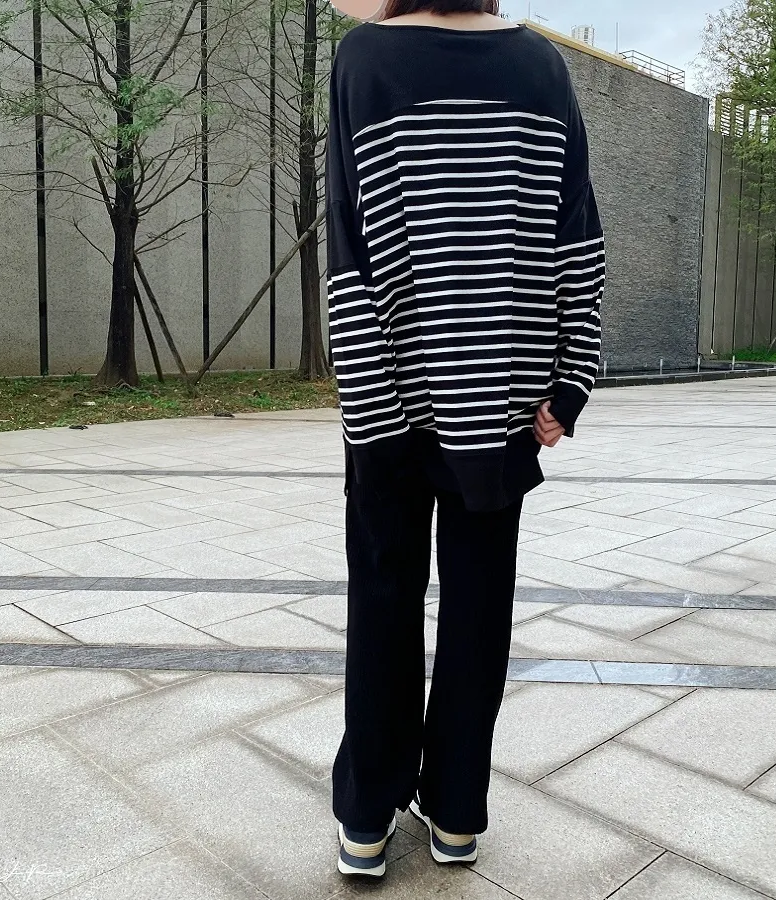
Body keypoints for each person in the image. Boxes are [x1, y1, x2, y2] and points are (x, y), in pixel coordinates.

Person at [326, 0, 605, 879]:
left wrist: (365, 397)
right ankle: (454, 814)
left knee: (383, 596)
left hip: (391, 385)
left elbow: (348, 242)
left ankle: (367, 817)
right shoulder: (540, 67)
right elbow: (576, 232)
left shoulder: (364, 60)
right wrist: (570, 377)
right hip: (503, 396)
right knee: (479, 607)